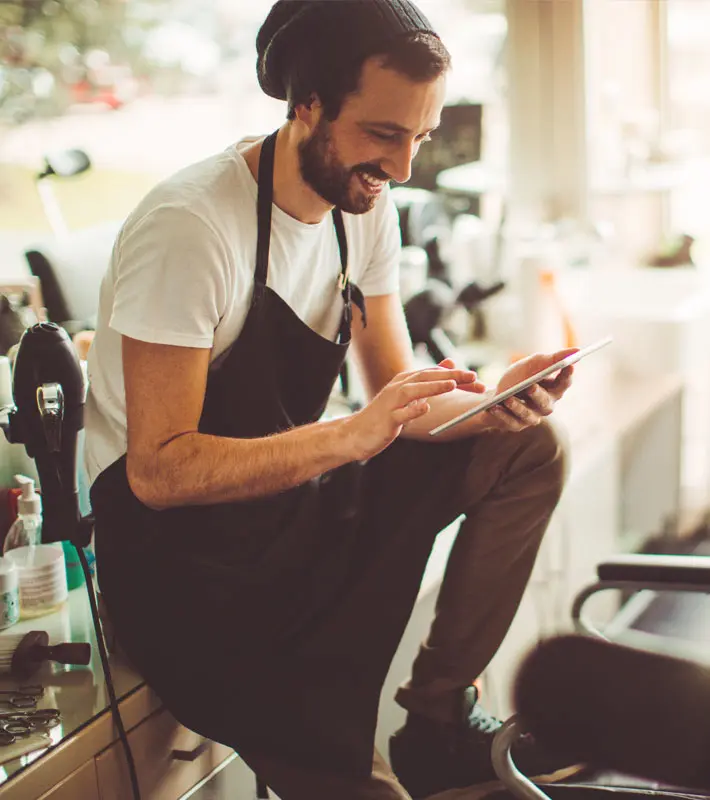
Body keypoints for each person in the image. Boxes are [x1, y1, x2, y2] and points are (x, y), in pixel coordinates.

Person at [85, 1, 580, 798]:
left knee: (528, 447)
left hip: (289, 513)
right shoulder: (190, 227)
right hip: (185, 574)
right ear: (306, 104)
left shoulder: (363, 207)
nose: (404, 168)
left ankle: (437, 719)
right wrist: (355, 434)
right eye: (385, 135)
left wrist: (493, 404)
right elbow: (159, 473)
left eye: (419, 137)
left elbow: (394, 394)